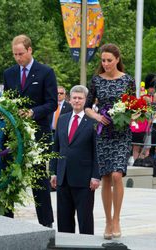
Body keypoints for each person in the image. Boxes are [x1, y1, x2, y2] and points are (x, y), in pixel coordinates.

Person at [3, 34, 57, 226]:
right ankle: (6, 220)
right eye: (15, 54)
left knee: (39, 180)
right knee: (9, 175)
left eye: (21, 54)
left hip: (38, 135)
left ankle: (46, 223)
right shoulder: (9, 73)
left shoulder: (45, 72)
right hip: (15, 134)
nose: (18, 58)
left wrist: (32, 112)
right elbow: (7, 101)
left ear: (30, 50)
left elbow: (52, 104)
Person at [85, 43, 135, 239]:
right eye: (103, 60)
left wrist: (131, 115)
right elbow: (88, 107)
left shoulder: (128, 80)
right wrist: (97, 117)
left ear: (117, 60)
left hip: (122, 133)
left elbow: (135, 106)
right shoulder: (97, 80)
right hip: (103, 133)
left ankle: (117, 219)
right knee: (106, 176)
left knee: (116, 175)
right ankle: (107, 221)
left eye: (109, 60)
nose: (105, 64)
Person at [50, 85, 100, 234]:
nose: (77, 101)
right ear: (69, 99)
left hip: (84, 180)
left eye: (80, 98)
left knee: (85, 219)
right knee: (64, 219)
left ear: (85, 100)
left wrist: (96, 176)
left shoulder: (93, 122)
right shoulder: (63, 120)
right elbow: (56, 148)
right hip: (63, 177)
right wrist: (53, 172)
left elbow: (97, 151)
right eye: (74, 98)